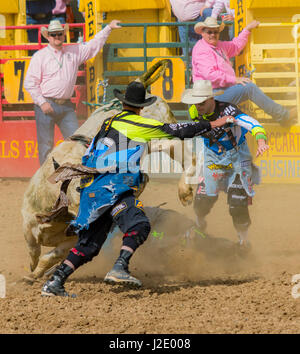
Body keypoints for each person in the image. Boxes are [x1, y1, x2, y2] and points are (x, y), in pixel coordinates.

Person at [41, 81, 235, 297]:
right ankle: (120, 267)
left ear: (124, 103)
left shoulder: (108, 122)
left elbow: (89, 153)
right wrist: (214, 123)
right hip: (113, 188)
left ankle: (55, 282)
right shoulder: (136, 124)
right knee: (140, 225)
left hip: (92, 191)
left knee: (89, 246)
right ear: (142, 106)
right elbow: (176, 131)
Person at [181, 80, 269, 252]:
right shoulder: (193, 112)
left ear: (211, 99)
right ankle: (199, 225)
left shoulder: (230, 112)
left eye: (201, 102)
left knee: (237, 202)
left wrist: (260, 141)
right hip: (212, 158)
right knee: (202, 200)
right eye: (195, 102)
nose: (198, 106)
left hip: (237, 158)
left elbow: (254, 124)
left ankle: (243, 242)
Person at [24, 19, 122, 165]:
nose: (57, 36)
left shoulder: (73, 51)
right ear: (48, 36)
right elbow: (30, 83)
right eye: (53, 34)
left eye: (59, 34)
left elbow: (92, 46)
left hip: (66, 106)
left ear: (63, 35)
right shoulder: (40, 56)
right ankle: (44, 179)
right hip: (46, 104)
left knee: (77, 141)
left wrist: (108, 28)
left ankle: (75, 173)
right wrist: (42, 102)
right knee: (45, 145)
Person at [192, 17, 297, 126]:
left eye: (215, 32)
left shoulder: (218, 46)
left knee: (248, 86)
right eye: (209, 32)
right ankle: (283, 116)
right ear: (203, 33)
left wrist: (247, 29)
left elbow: (235, 46)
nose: (213, 35)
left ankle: (278, 115)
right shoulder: (202, 50)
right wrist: (234, 80)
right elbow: (210, 75)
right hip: (211, 96)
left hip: (218, 93)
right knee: (249, 88)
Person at [144, 0, 216, 58]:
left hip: (199, 20)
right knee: (188, 56)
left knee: (207, 52)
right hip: (183, 23)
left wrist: (208, 4)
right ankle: (191, 67)